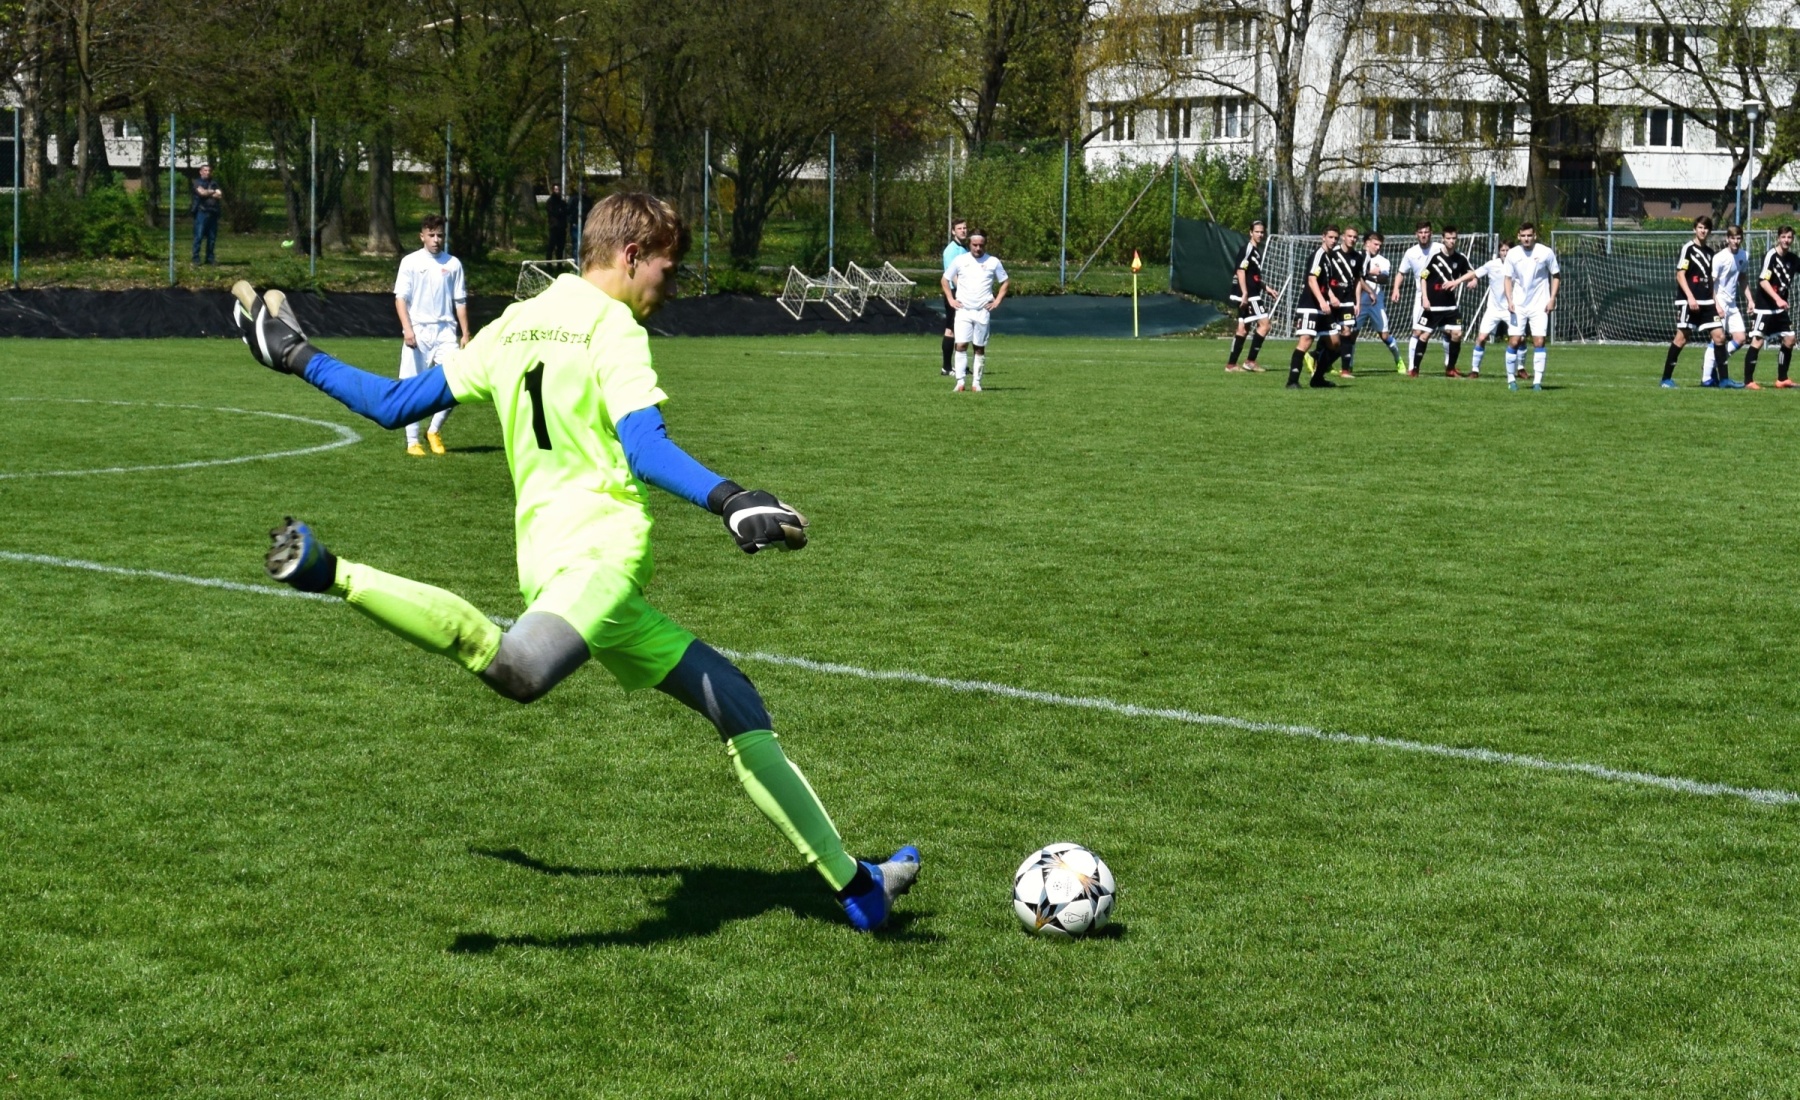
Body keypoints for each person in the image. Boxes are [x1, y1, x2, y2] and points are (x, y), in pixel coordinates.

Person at [228, 192, 919, 932]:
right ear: (631, 256)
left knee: (736, 703)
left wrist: (298, 357)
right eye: (667, 270)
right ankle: (333, 572)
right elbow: (643, 446)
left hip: (553, 566)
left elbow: (394, 403)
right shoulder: (611, 327)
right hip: (600, 559)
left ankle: (858, 887)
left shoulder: (515, 322)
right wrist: (730, 499)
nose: (669, 288)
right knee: (520, 669)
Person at [395, 214, 471, 456]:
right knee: (412, 387)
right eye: (431, 235)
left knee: (457, 382)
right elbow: (400, 299)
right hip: (418, 331)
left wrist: (465, 333)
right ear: (422, 236)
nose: (436, 240)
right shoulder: (410, 262)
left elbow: (460, 301)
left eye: (440, 235)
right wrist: (408, 329)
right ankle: (412, 441)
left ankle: (434, 430)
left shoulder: (453, 264)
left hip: (446, 333)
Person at [1662, 216, 1738, 387]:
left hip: (1707, 302)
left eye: (1706, 228)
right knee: (1681, 339)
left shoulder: (1711, 253)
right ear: (1695, 229)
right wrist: (1690, 297)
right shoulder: (1688, 249)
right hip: (1689, 302)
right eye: (1700, 227)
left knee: (1720, 337)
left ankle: (1724, 380)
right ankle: (1666, 378)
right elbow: (1680, 274)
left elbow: (1711, 281)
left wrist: (1716, 303)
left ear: (1710, 231)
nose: (1703, 231)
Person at [941, 230, 1008, 393]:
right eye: (974, 245)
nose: (978, 248)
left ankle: (976, 383)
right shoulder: (960, 260)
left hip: (982, 311)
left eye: (981, 245)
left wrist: (997, 301)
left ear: (985, 245)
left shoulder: (993, 262)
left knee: (979, 347)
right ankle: (960, 382)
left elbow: (1005, 282)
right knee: (961, 345)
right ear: (970, 244)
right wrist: (951, 299)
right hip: (963, 310)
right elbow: (945, 279)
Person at [1503, 222, 1559, 391]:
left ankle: (1537, 383)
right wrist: (1509, 300)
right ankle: (1511, 380)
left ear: (1535, 236)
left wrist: (1552, 298)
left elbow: (1556, 275)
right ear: (1518, 236)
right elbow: (1507, 278)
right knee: (1514, 341)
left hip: (1540, 304)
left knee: (1539, 342)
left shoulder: (1545, 252)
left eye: (1529, 235)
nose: (1526, 239)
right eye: (1523, 236)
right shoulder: (1512, 254)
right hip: (1519, 305)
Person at [1414, 226, 1475, 378]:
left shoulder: (1460, 258)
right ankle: (1415, 369)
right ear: (1443, 239)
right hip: (1433, 305)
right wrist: (1425, 298)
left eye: (1454, 238)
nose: (1451, 241)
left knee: (1457, 334)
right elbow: (1423, 277)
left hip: (1450, 306)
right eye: (1448, 238)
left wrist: (1468, 280)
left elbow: (1472, 273)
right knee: (1424, 335)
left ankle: (1450, 368)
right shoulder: (1435, 257)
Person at [1287, 225, 1342, 389]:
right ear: (1323, 237)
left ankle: (1317, 379)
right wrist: (1322, 301)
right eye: (1330, 237)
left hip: (1323, 307)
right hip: (1310, 306)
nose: (1333, 241)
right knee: (1305, 342)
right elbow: (1311, 280)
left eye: (1336, 238)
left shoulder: (1328, 258)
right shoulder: (1318, 255)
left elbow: (1323, 284)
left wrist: (1331, 297)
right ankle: (1292, 381)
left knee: (1335, 343)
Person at [1745, 225, 1798, 388]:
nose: (1786, 240)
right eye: (1783, 237)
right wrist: (1778, 299)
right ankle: (1748, 381)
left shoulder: (1793, 259)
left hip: (1780, 308)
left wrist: (1780, 302)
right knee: (1758, 341)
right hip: (1765, 307)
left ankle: (1782, 379)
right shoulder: (1771, 256)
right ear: (1778, 238)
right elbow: (1763, 281)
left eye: (1789, 237)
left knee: (1790, 339)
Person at [1390, 220, 1439, 376]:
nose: (1423, 235)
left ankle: (1450, 367)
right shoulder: (1410, 253)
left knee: (1451, 332)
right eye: (1421, 232)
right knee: (1417, 331)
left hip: (1441, 296)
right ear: (1416, 234)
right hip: (1421, 296)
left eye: (1426, 232)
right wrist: (1396, 289)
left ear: (1431, 233)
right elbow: (1401, 273)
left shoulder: (1439, 248)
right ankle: (1412, 367)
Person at [1225, 220, 1270, 372]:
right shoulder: (1248, 249)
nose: (1260, 234)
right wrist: (1244, 293)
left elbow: (1252, 276)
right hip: (1250, 294)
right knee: (1265, 325)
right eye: (1257, 232)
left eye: (1262, 232)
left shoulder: (1256, 251)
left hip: (1250, 292)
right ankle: (1250, 361)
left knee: (1243, 329)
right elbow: (1240, 271)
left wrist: (1266, 287)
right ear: (1251, 233)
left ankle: (1231, 365)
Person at [1713, 226, 1754, 387]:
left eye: (1738, 238)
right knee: (1718, 339)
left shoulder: (1744, 255)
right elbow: (1711, 284)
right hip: (1719, 302)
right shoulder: (1719, 257)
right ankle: (1709, 372)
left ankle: (1714, 362)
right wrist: (1716, 305)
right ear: (1727, 239)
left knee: (1741, 338)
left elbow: (1742, 278)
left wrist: (1750, 300)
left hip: (1732, 304)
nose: (1735, 241)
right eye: (1732, 238)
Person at [1354, 232, 1402, 367]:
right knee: (1351, 335)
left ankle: (1398, 360)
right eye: (1375, 244)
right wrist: (1369, 272)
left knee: (1385, 336)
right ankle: (1348, 367)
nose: (1378, 247)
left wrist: (1365, 275)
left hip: (1376, 303)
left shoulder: (1383, 261)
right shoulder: (1357, 257)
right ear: (1367, 243)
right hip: (1359, 302)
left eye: (1380, 245)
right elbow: (1356, 276)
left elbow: (1384, 279)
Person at [1469, 240, 1513, 380]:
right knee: (1481, 338)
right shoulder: (1492, 264)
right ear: (1499, 252)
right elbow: (1475, 273)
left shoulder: (1518, 265)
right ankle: (1474, 370)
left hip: (1511, 309)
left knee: (1520, 339)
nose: (1505, 253)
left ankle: (1521, 368)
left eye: (1507, 250)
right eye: (1502, 250)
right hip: (1493, 309)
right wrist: (1475, 279)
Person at [1331, 226, 1365, 378]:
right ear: (1343, 237)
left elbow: (1357, 281)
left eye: (1355, 237)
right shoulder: (1332, 254)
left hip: (1347, 301)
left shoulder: (1358, 257)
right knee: (1331, 335)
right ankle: (1316, 357)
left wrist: (1357, 302)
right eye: (1349, 236)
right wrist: (1330, 296)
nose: (1352, 239)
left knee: (1347, 332)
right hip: (1332, 300)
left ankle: (1345, 370)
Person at [940, 219, 970, 376]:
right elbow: (951, 275)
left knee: (962, 330)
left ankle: (962, 366)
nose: (963, 230)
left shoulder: (965, 249)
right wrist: (963, 290)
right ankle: (946, 367)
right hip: (954, 293)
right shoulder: (951, 250)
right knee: (951, 329)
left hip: (963, 293)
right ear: (953, 231)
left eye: (965, 228)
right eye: (959, 228)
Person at [190, 165, 223, 266]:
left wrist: (207, 192)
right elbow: (202, 193)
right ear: (201, 172)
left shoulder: (214, 183)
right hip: (201, 212)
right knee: (199, 236)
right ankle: (196, 258)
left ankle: (210, 258)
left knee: (212, 238)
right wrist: (212, 192)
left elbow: (219, 195)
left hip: (213, 212)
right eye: (205, 170)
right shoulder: (197, 182)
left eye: (209, 170)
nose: (207, 172)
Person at [545, 185, 569, 262]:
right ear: (553, 190)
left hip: (562, 227)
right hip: (554, 227)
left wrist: (561, 211)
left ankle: (559, 264)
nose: (558, 191)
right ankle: (548, 263)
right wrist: (560, 211)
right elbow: (554, 212)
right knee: (551, 246)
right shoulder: (550, 202)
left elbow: (566, 212)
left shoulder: (562, 202)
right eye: (556, 189)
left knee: (560, 247)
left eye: (559, 189)